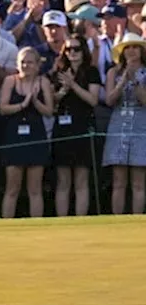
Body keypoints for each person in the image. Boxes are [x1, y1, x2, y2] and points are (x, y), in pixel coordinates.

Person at [0, 47, 53, 219]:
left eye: (30, 62)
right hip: (14, 135)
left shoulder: (43, 82)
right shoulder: (10, 81)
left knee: (35, 189)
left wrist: (35, 101)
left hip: (36, 135)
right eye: (22, 62)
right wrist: (22, 105)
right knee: (12, 188)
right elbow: (3, 108)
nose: (25, 65)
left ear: (37, 65)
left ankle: (36, 225)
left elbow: (49, 111)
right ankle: (7, 225)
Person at [50, 37, 101, 217]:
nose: (72, 53)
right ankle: (62, 220)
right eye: (68, 49)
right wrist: (63, 90)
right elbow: (52, 100)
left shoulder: (91, 72)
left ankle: (81, 220)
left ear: (83, 51)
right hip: (62, 126)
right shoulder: (59, 71)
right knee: (63, 179)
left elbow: (93, 100)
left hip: (83, 125)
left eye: (76, 49)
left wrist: (72, 85)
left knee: (81, 178)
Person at [103, 33, 146, 215]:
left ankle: (137, 220)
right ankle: (117, 219)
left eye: (135, 47)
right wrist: (122, 81)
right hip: (118, 123)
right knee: (119, 180)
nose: (131, 51)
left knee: (138, 181)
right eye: (127, 47)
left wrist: (135, 81)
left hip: (141, 123)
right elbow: (109, 100)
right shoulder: (113, 72)